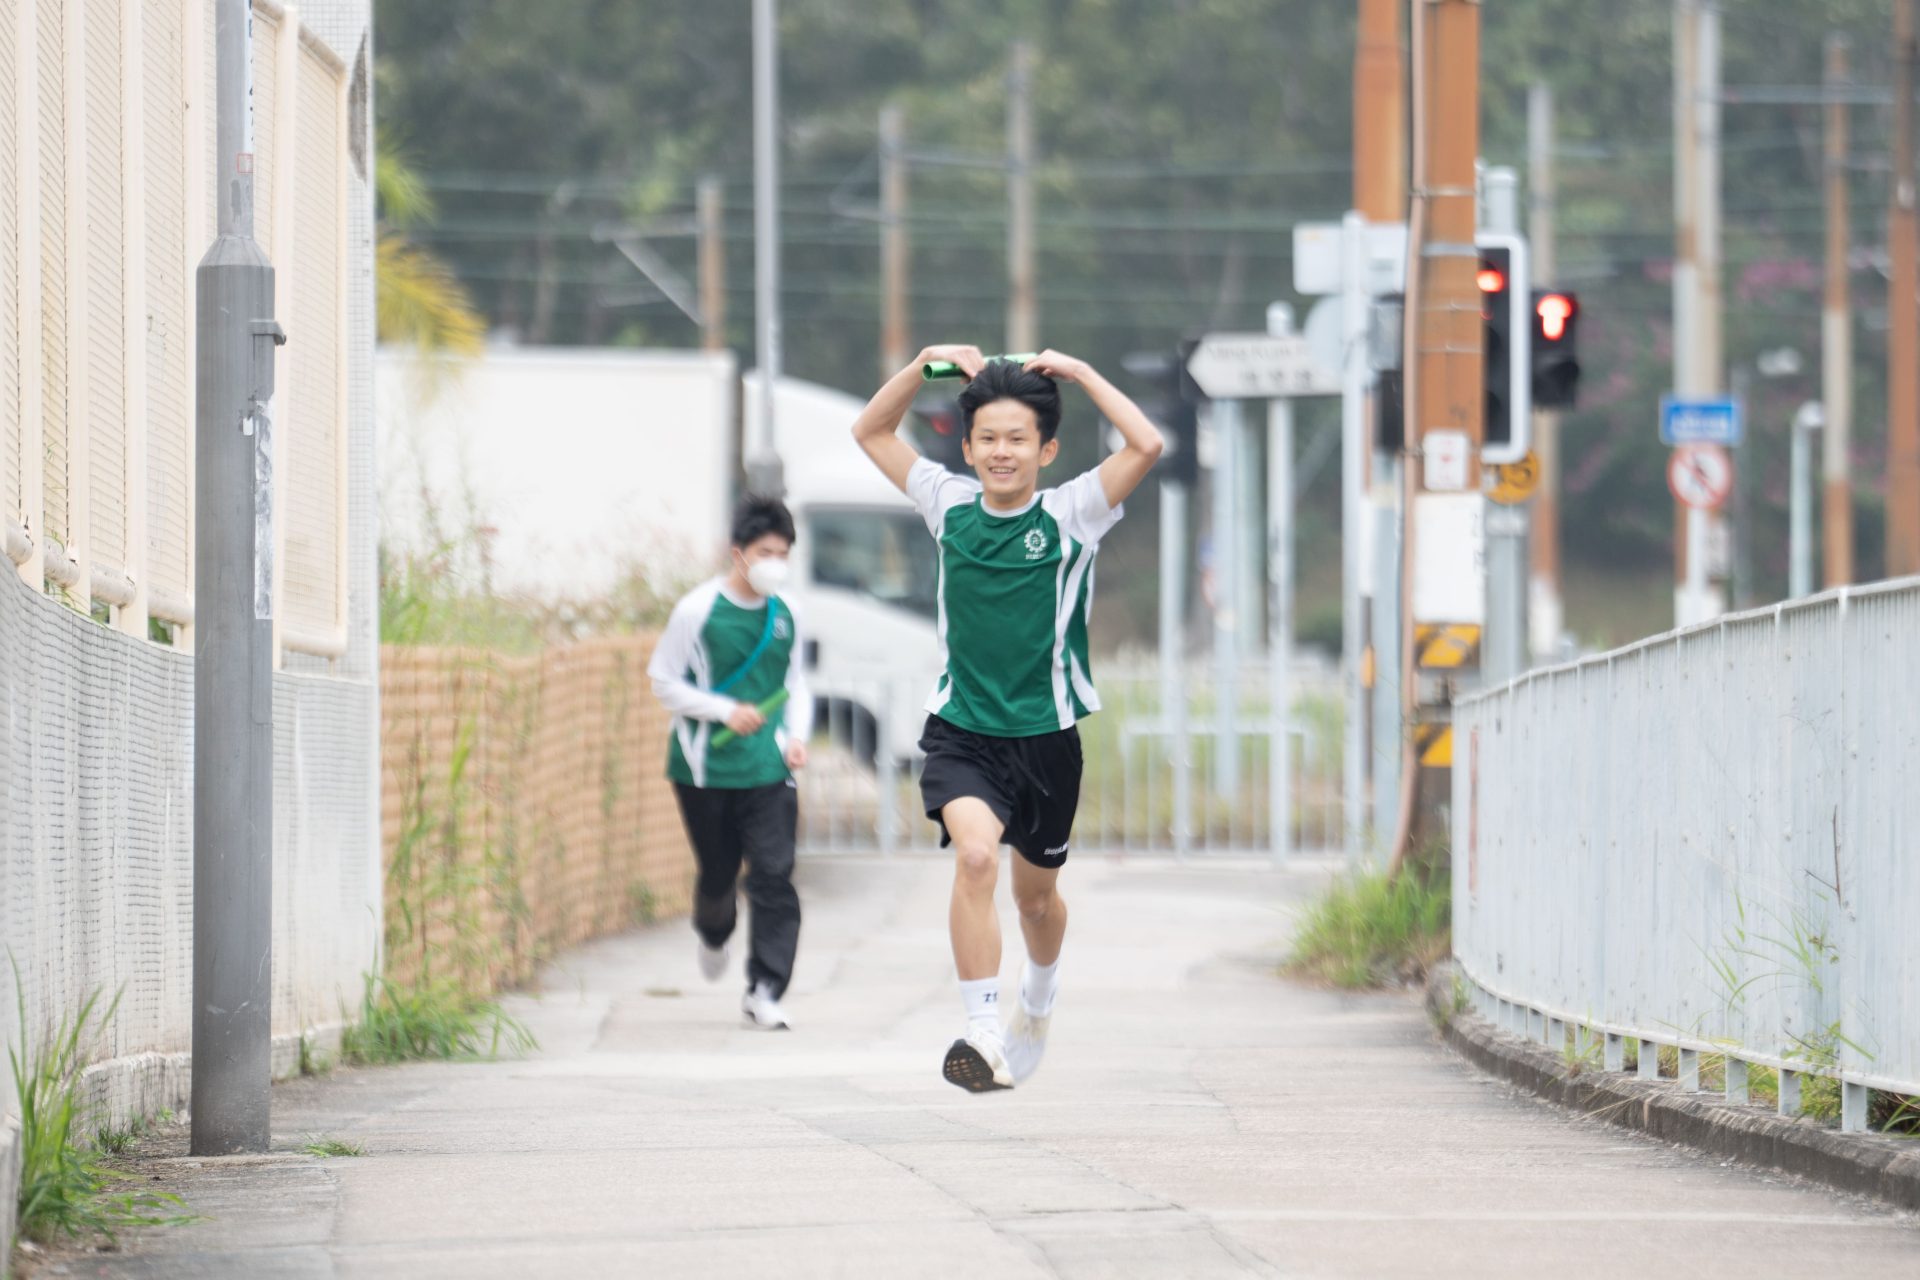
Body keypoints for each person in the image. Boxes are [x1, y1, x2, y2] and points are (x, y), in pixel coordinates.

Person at [852, 346, 1162, 1090]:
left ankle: (1038, 1001)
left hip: (1047, 740)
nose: (1001, 451)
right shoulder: (946, 502)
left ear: (1045, 449)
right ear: (966, 447)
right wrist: (925, 365)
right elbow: (871, 431)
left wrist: (1084, 375)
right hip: (962, 733)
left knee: (1037, 898)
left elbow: (1147, 444)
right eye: (987, 437)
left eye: (1017, 438)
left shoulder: (1073, 512)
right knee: (976, 859)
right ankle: (983, 1033)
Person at [648, 496, 813, 1030]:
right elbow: (663, 681)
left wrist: (795, 737)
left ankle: (765, 989)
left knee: (773, 874)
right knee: (719, 876)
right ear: (738, 553)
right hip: (704, 768)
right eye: (766, 551)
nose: (775, 563)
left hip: (768, 767)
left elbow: (795, 684)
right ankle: (714, 931)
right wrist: (723, 710)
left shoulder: (786, 613)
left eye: (783, 553)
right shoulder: (696, 611)